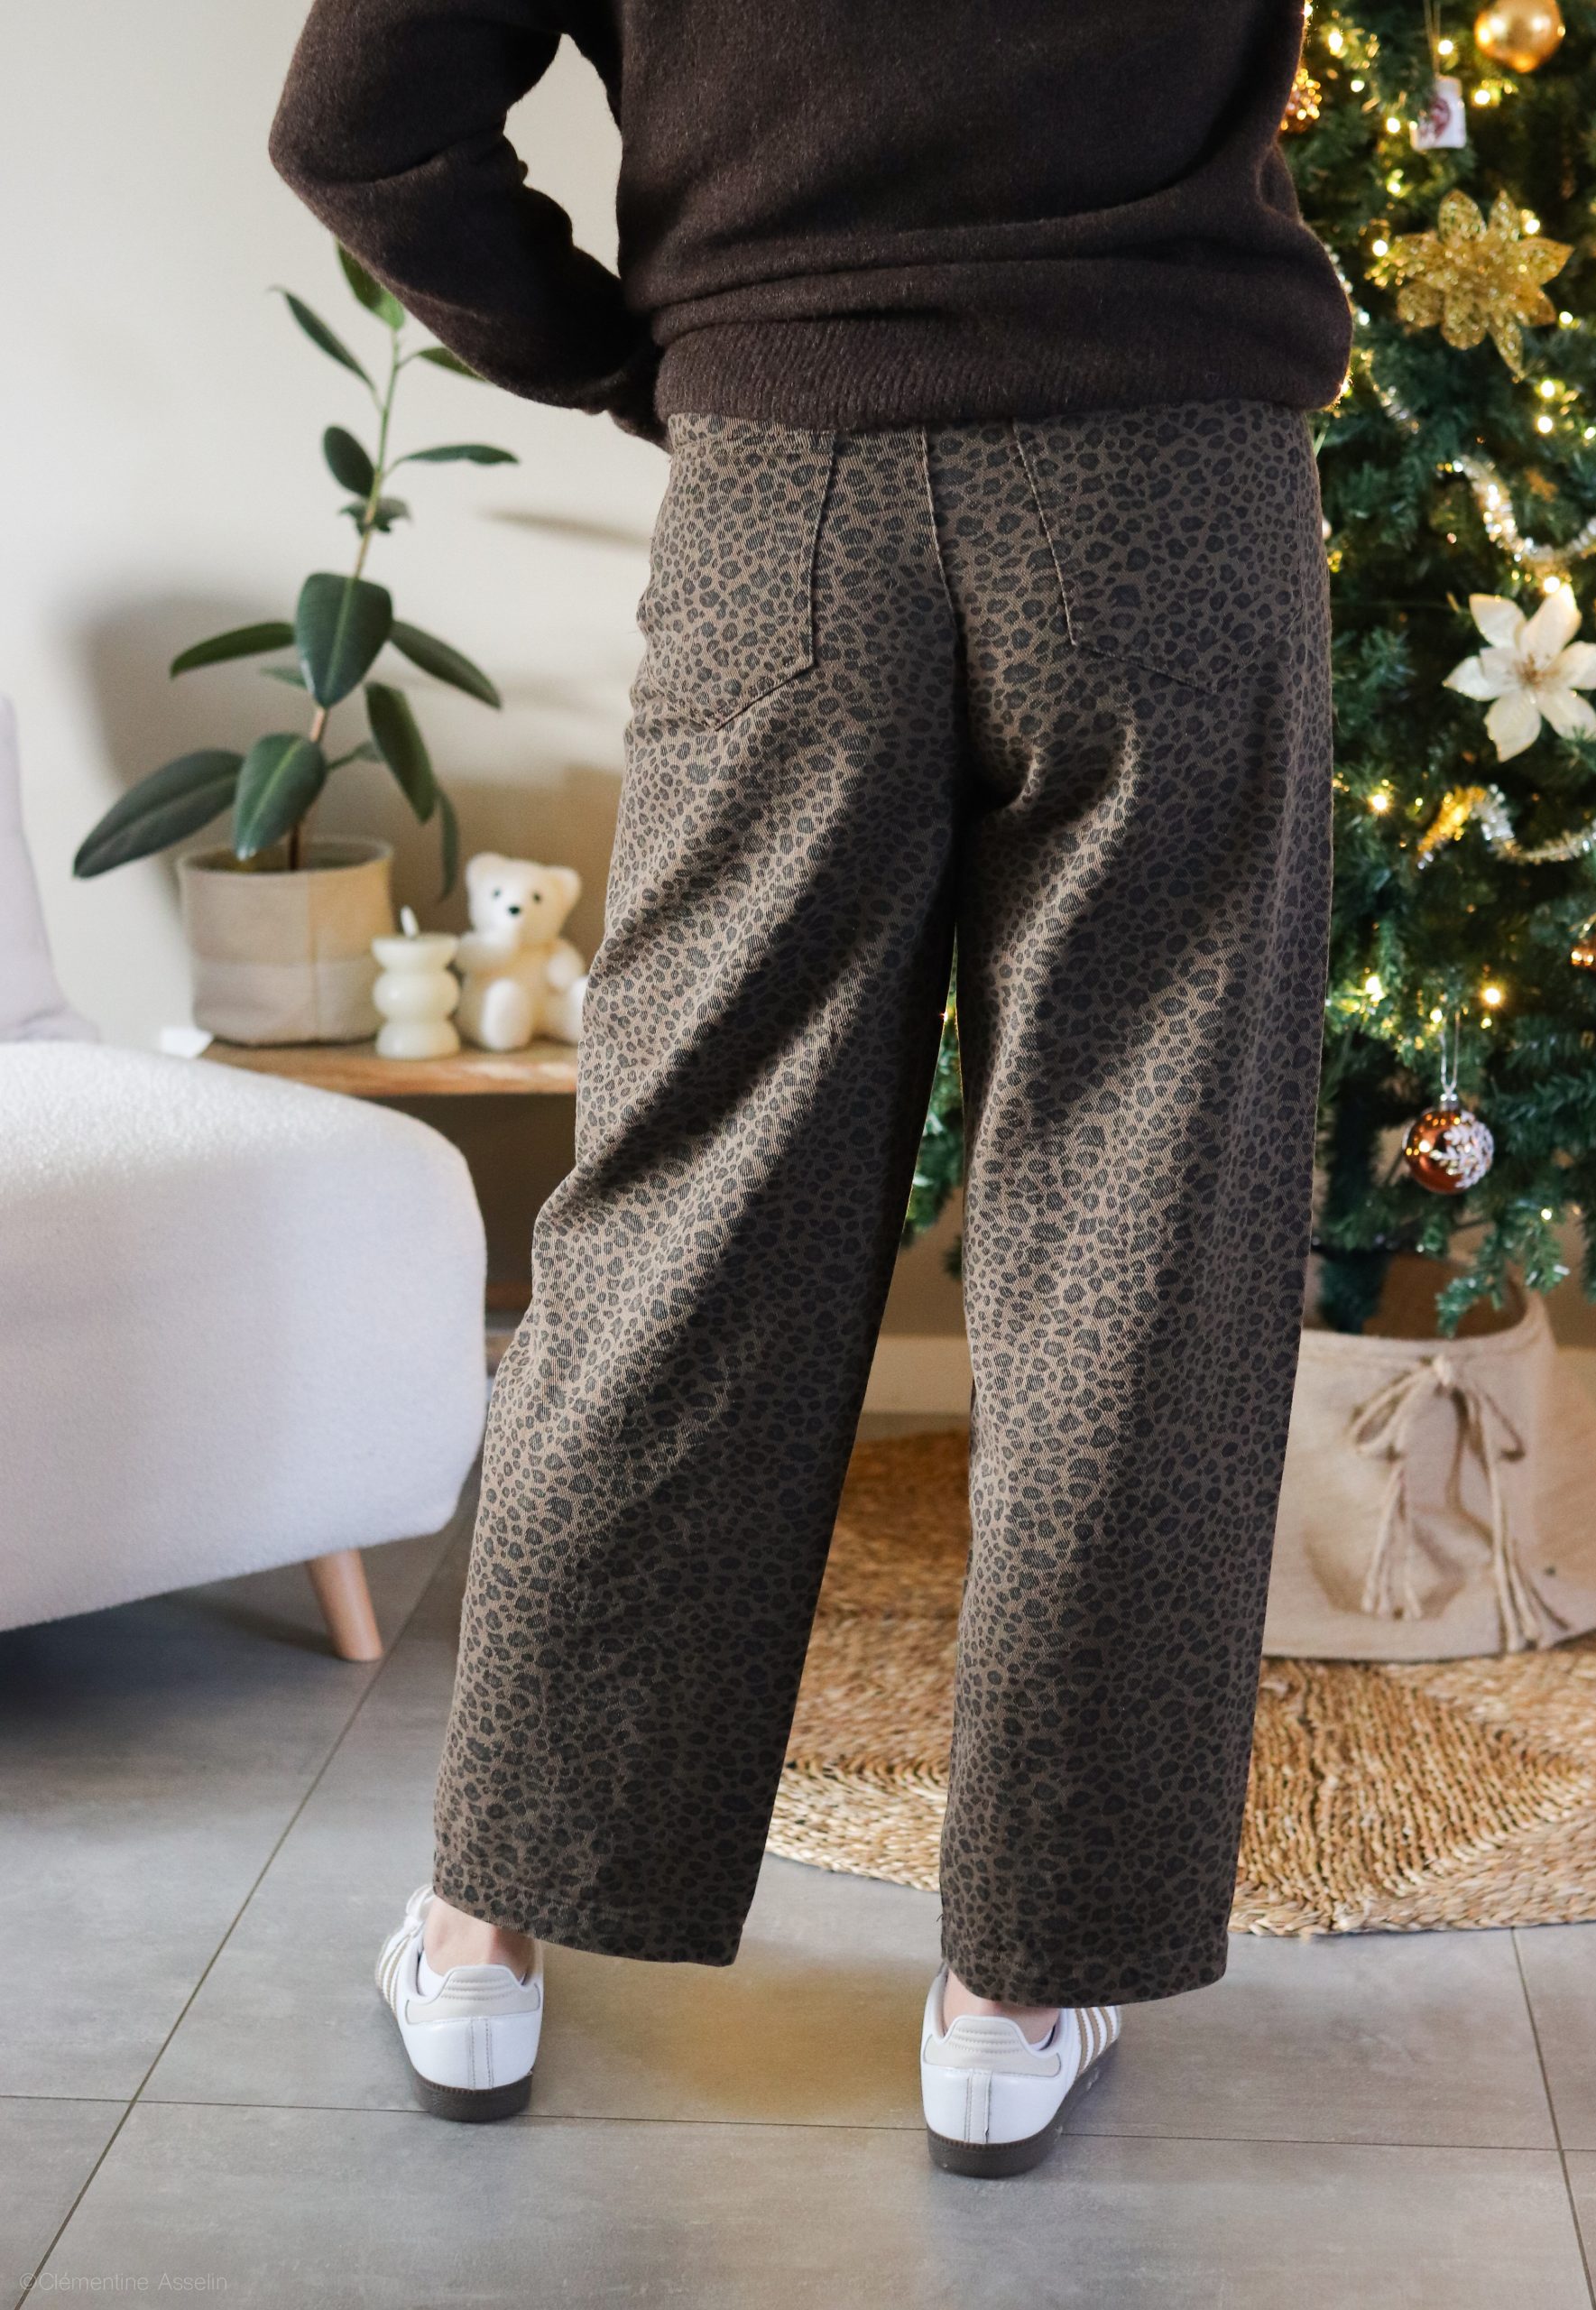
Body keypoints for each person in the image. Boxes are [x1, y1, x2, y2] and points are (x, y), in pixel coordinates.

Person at [271, 0, 1350, 2176]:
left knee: (682, 1215)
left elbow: (359, 122)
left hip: (788, 488)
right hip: (1166, 481)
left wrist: (648, 353)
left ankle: (484, 1929)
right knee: (1138, 1235)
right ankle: (1017, 1989)